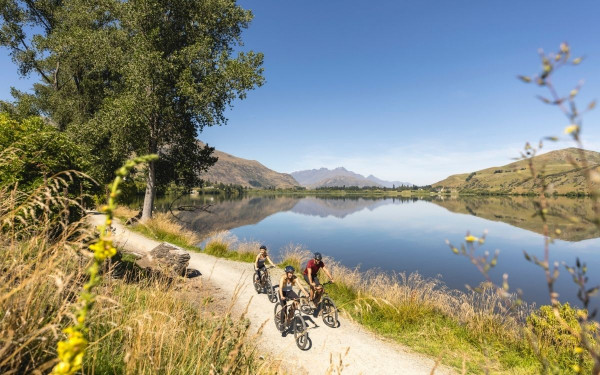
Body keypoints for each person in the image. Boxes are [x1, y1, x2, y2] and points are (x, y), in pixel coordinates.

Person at [279, 265, 309, 335]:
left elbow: (300, 286)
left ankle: (290, 315)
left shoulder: (294, 278)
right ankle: (281, 324)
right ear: (286, 273)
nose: (291, 274)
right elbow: (280, 288)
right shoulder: (283, 278)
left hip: (289, 292)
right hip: (282, 292)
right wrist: (282, 296)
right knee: (284, 309)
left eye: (292, 273)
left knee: (297, 300)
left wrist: (306, 293)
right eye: (289, 273)